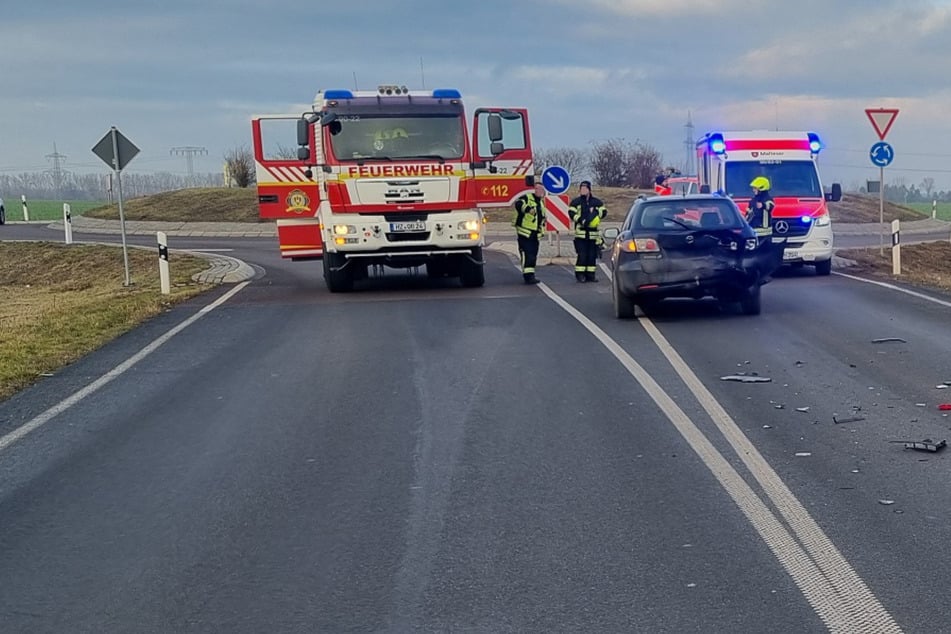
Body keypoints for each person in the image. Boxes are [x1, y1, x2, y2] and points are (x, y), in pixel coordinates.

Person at [568, 180, 607, 282]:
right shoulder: (576, 202)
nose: (583, 190)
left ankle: (591, 275)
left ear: (589, 190)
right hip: (581, 234)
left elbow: (603, 212)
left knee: (592, 256)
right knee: (582, 255)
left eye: (585, 188)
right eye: (581, 188)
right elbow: (571, 213)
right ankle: (580, 275)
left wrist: (595, 212)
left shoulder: (596, 202)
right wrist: (581, 220)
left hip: (593, 234)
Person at [512, 180, 547, 284]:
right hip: (525, 232)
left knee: (533, 254)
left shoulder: (540, 202)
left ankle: (531, 274)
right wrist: (528, 209)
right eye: (537, 188)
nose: (539, 191)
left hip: (535, 233)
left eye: (541, 189)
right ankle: (528, 276)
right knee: (527, 254)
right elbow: (518, 204)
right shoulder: (527, 197)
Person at [747, 176, 780, 280]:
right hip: (754, 232)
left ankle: (767, 271)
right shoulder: (752, 201)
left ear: (761, 189)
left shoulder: (768, 200)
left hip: (765, 233)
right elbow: (748, 214)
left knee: (766, 253)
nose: (753, 190)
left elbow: (770, 206)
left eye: (755, 188)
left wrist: (763, 205)